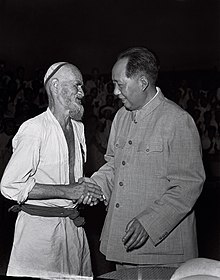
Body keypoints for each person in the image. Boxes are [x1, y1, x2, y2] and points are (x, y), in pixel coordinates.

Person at [81, 47, 206, 270]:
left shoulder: (177, 120)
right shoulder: (121, 116)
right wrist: (95, 185)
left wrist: (149, 223)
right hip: (125, 243)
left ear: (142, 82)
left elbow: (188, 185)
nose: (115, 91)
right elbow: (113, 165)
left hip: (163, 251)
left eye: (119, 84)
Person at [0, 62, 104, 278]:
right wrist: (68, 191)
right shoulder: (34, 129)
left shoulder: (78, 128)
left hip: (73, 231)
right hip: (40, 236)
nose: (82, 93)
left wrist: (84, 191)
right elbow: (10, 186)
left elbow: (70, 177)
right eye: (77, 85)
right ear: (55, 86)